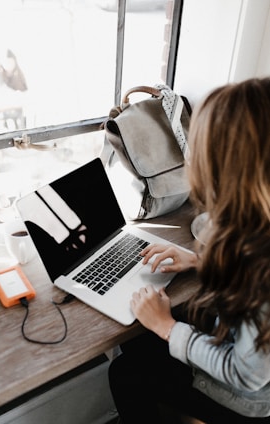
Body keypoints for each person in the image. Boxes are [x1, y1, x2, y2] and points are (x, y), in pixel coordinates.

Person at [108, 77, 270, 423]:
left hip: (251, 401)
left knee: (126, 370)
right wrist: (201, 260)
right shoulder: (256, 230)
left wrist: (166, 327)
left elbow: (247, 375)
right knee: (141, 336)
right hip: (248, 357)